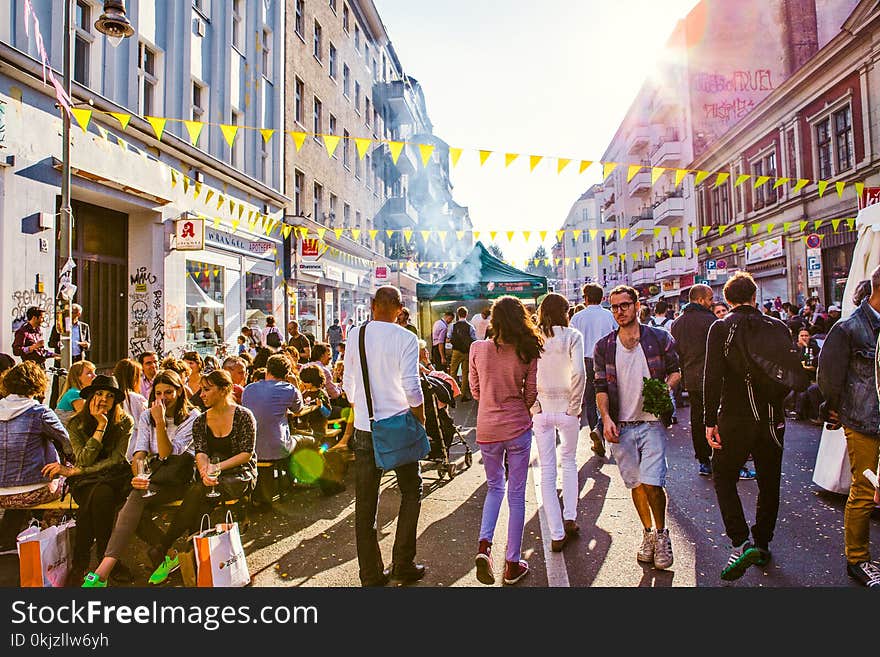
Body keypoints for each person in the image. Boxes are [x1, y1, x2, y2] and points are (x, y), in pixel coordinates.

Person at [703, 271, 788, 581]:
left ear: (727, 300)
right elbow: (790, 373)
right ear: (755, 297)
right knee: (769, 482)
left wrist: (709, 420)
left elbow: (711, 378)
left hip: (735, 416)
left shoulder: (721, 327)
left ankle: (740, 541)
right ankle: (762, 542)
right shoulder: (778, 328)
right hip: (771, 419)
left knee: (723, 476)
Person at [82, 370, 199, 587]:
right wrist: (138, 475)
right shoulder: (147, 415)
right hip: (154, 476)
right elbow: (139, 453)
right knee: (131, 502)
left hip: (179, 479)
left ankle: (102, 572)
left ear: (180, 392)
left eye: (169, 392)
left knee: (131, 505)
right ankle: (168, 554)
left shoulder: (192, 418)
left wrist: (161, 422)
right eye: (158, 393)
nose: (163, 398)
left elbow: (166, 454)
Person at [342, 285, 426, 587]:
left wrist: (362, 406)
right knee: (411, 491)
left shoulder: (356, 335)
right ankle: (403, 563)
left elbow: (348, 384)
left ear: (373, 304)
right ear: (400, 309)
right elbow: (412, 387)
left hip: (367, 428)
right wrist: (421, 419)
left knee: (365, 507)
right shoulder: (406, 338)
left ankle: (371, 576)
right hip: (400, 425)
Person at [594, 285, 679, 571]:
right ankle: (647, 534)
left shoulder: (659, 338)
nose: (620, 311)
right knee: (636, 484)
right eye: (615, 307)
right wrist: (605, 418)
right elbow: (601, 387)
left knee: (654, 482)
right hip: (622, 424)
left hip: (652, 422)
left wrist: (664, 390)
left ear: (637, 305)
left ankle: (662, 533)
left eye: (625, 305)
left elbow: (675, 370)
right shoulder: (604, 346)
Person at [147, 369, 257, 585]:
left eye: (207, 389)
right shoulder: (201, 421)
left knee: (198, 492)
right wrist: (206, 471)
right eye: (201, 389)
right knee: (201, 499)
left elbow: (246, 454)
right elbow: (201, 452)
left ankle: (166, 545)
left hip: (239, 473)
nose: (202, 394)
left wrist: (216, 468)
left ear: (224, 389)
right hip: (211, 475)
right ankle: (199, 562)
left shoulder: (244, 415)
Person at [469, 296, 541, 585]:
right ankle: (512, 563)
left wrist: (490, 399)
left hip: (486, 429)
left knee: (495, 487)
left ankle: (484, 546)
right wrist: (519, 409)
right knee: (517, 495)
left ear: (494, 320)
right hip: (517, 428)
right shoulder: (527, 350)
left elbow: (474, 390)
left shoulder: (477, 349)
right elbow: (531, 392)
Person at [817, 265, 880, 588]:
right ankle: (857, 559)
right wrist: (834, 410)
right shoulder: (850, 328)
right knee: (864, 489)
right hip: (863, 420)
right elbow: (828, 377)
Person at [64, 375, 135, 584]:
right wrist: (100, 427)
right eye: (99, 394)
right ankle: (108, 559)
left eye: (109, 396)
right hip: (85, 483)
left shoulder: (124, 422)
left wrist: (80, 471)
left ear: (115, 401)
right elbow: (83, 458)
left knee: (101, 493)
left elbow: (116, 460)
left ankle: (82, 560)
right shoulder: (75, 423)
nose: (103, 399)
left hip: (114, 478)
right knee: (97, 494)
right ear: (90, 397)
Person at [531, 293, 585, 552]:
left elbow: (526, 375)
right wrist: (574, 406)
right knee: (570, 461)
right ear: (566, 311)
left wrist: (533, 404)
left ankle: (556, 532)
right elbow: (579, 372)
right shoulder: (573, 336)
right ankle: (571, 516)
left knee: (547, 471)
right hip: (567, 408)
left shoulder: (535, 337)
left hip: (541, 409)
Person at [0, 362, 72, 551]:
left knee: (15, 503)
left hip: (1, 494)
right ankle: (49, 536)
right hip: (34, 493)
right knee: (66, 481)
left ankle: (14, 537)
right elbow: (67, 443)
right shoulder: (39, 412)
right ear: (37, 384)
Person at [670, 284, 716, 477]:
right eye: (710, 299)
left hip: (691, 378)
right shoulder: (711, 321)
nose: (712, 303)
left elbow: (675, 353)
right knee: (716, 417)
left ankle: (703, 460)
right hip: (712, 377)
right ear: (700, 300)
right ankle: (718, 455)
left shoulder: (678, 323)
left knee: (697, 418)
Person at [569, 283, 616, 458]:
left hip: (585, 360)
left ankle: (597, 431)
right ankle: (601, 428)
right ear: (602, 298)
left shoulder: (578, 317)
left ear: (586, 298)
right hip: (606, 360)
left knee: (590, 399)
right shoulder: (609, 315)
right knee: (609, 396)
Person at [241, 354, 303, 463]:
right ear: (287, 374)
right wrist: (294, 382)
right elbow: (299, 409)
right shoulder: (289, 389)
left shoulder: (248, 389)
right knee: (307, 440)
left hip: (250, 448)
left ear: (267, 370)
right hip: (277, 448)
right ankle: (295, 477)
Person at [114, 358, 148, 456]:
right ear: (134, 377)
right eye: (140, 375)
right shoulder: (137, 399)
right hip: (134, 448)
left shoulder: (111, 397)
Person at [792, 329, 822, 424]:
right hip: (797, 375)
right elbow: (796, 362)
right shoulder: (793, 347)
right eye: (802, 336)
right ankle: (798, 412)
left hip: (810, 376)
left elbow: (812, 363)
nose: (804, 338)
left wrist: (806, 348)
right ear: (798, 337)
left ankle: (800, 412)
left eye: (806, 335)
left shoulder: (814, 347)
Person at [54, 360, 96, 425]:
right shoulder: (75, 393)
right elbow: (86, 418)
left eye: (94, 372)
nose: (94, 376)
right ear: (78, 377)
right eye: (89, 373)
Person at [448, 306, 477, 401]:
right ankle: (463, 395)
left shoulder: (453, 326)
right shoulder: (470, 327)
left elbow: (448, 338)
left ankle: (452, 393)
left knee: (453, 372)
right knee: (465, 374)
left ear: (457, 314)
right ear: (466, 315)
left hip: (456, 351)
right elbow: (474, 340)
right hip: (466, 352)